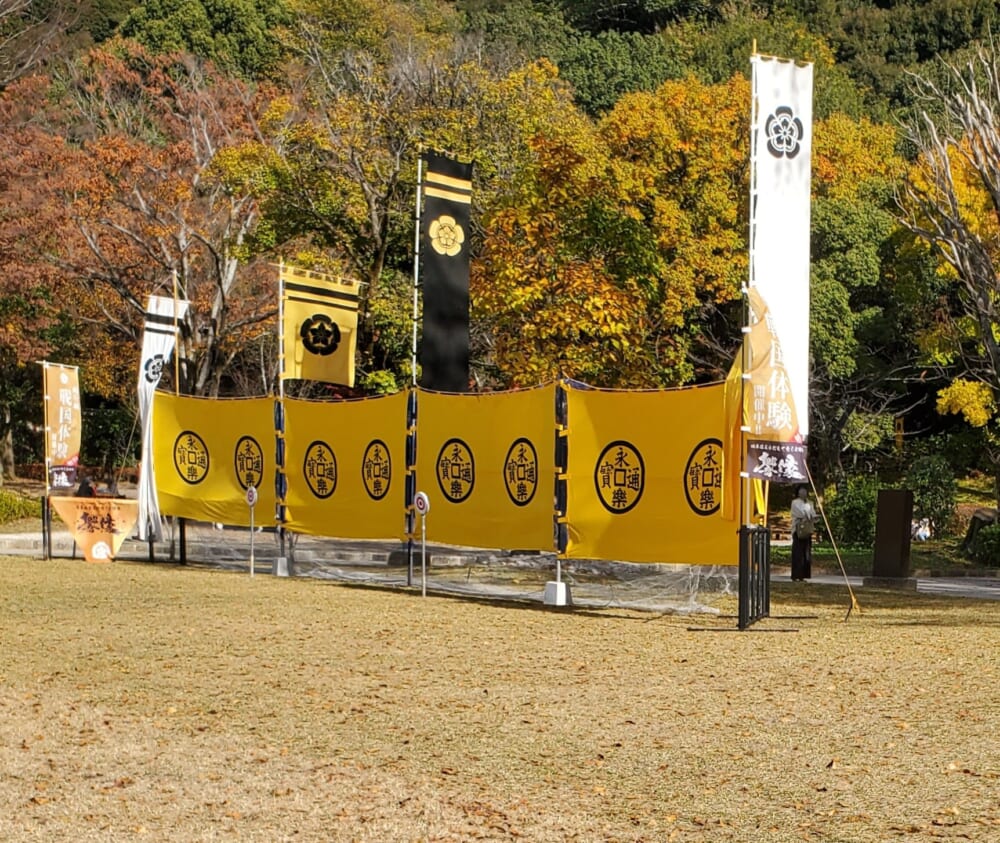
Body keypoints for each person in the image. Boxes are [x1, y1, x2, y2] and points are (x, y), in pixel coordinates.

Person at [790, 484, 816, 581]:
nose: (803, 493)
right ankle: (796, 574)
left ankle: (804, 574)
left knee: (806, 552)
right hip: (798, 529)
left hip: (807, 529)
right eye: (801, 491)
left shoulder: (810, 503)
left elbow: (812, 513)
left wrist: (812, 516)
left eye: (805, 491)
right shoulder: (795, 502)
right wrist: (808, 515)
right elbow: (799, 513)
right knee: (798, 552)